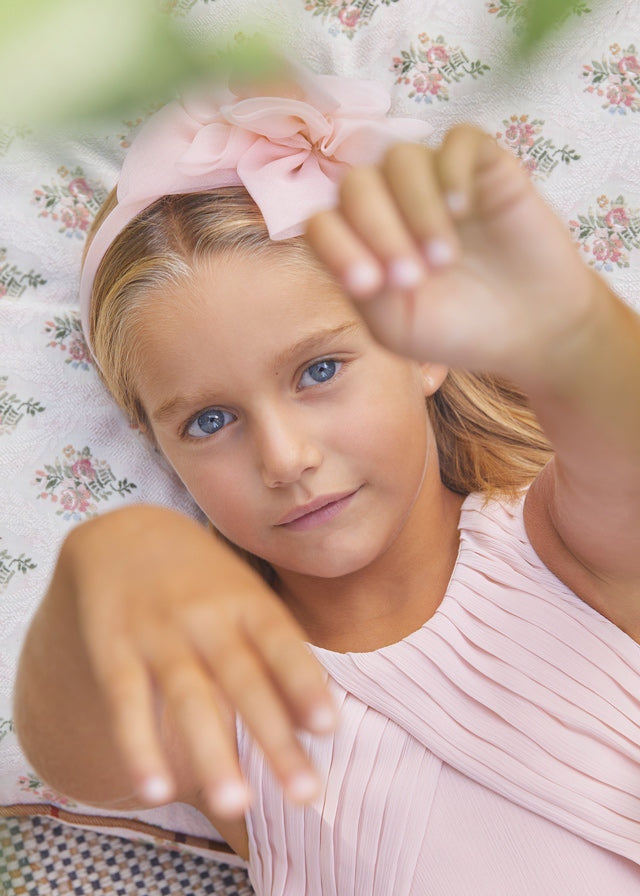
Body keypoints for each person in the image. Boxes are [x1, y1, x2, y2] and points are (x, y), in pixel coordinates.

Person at [14, 62, 640, 893]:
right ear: (162, 450)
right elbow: (77, 760)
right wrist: (107, 555)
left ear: (424, 344)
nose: (285, 458)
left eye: (319, 371)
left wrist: (567, 322)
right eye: (209, 421)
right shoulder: (228, 706)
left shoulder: (568, 549)